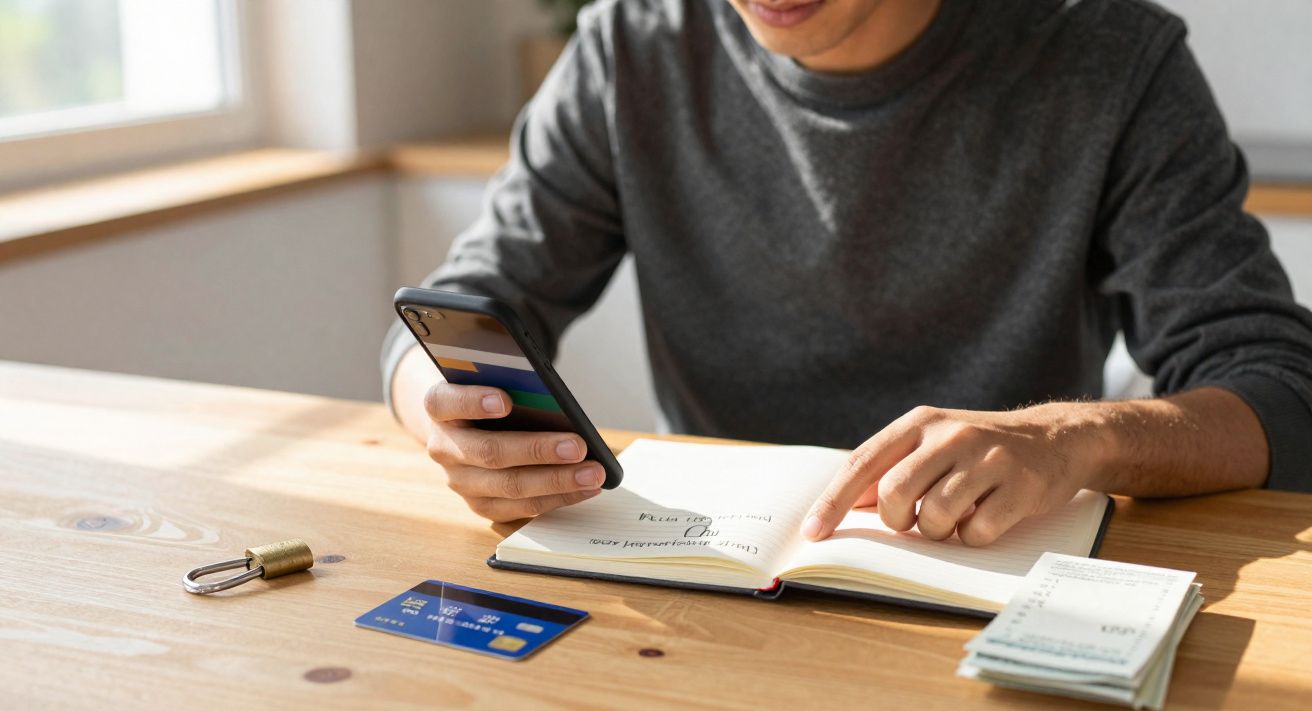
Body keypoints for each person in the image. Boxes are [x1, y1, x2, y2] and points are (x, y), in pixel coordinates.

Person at [382, 0, 1312, 545]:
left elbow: (1282, 394)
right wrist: (442, 405)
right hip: (707, 573)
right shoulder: (634, 46)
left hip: (997, 570)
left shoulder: (1111, 60)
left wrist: (1074, 440)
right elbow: (467, 306)